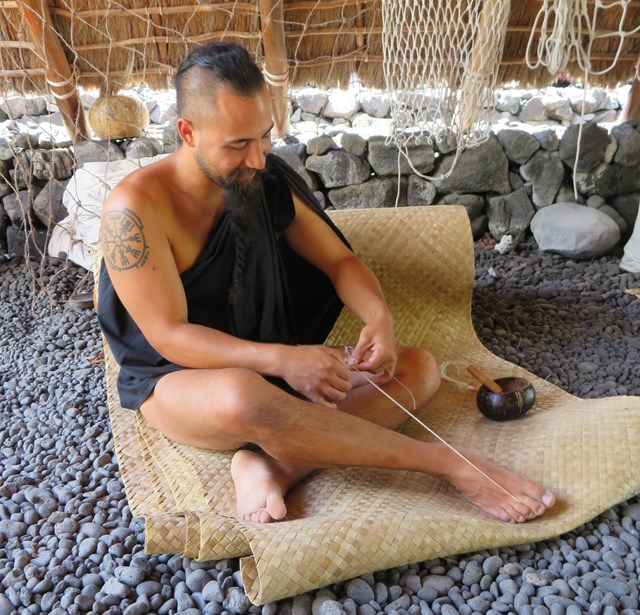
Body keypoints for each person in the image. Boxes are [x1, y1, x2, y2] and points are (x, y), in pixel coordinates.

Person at [98, 42, 555, 525]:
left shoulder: (261, 178)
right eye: (237, 145)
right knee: (244, 396)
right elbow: (169, 336)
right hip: (179, 382)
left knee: (418, 370)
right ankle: (452, 467)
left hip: (269, 357)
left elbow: (339, 261)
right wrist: (284, 359)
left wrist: (379, 317)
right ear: (187, 132)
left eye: (265, 137)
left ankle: (273, 463)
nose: (257, 159)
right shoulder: (134, 210)